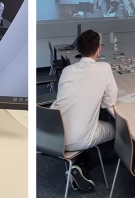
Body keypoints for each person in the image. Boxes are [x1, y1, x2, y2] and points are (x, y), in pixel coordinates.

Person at [49, 29, 118, 191]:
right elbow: (110, 101)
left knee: (92, 118)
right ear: (99, 48)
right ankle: (83, 165)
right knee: (118, 129)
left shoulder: (67, 70)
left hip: (51, 134)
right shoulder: (104, 68)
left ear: (78, 49)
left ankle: (80, 160)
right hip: (77, 139)